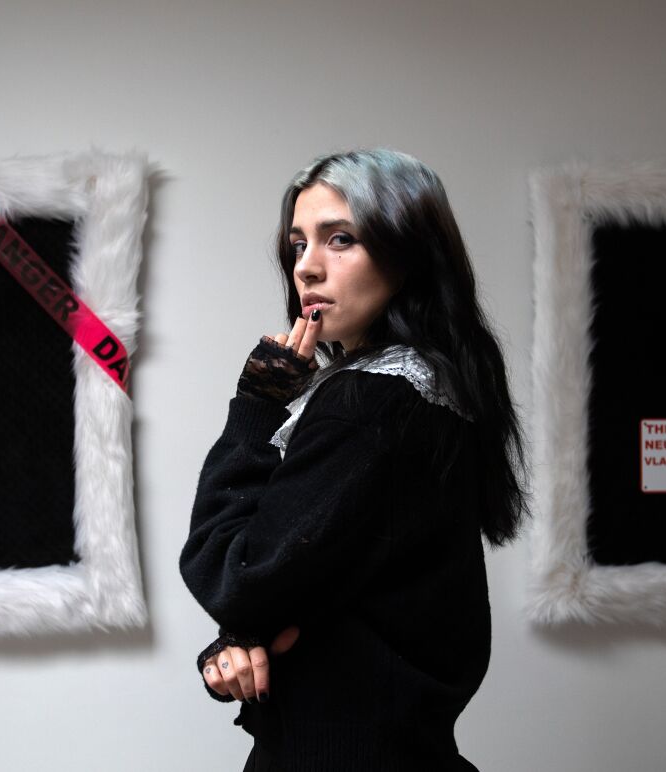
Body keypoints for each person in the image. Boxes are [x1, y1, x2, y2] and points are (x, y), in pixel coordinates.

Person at [179, 148, 527, 771]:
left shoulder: (368, 401)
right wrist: (249, 635)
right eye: (296, 245)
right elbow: (325, 581)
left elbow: (237, 574)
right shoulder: (433, 386)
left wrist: (256, 406)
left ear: (408, 252)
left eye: (340, 239)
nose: (307, 269)